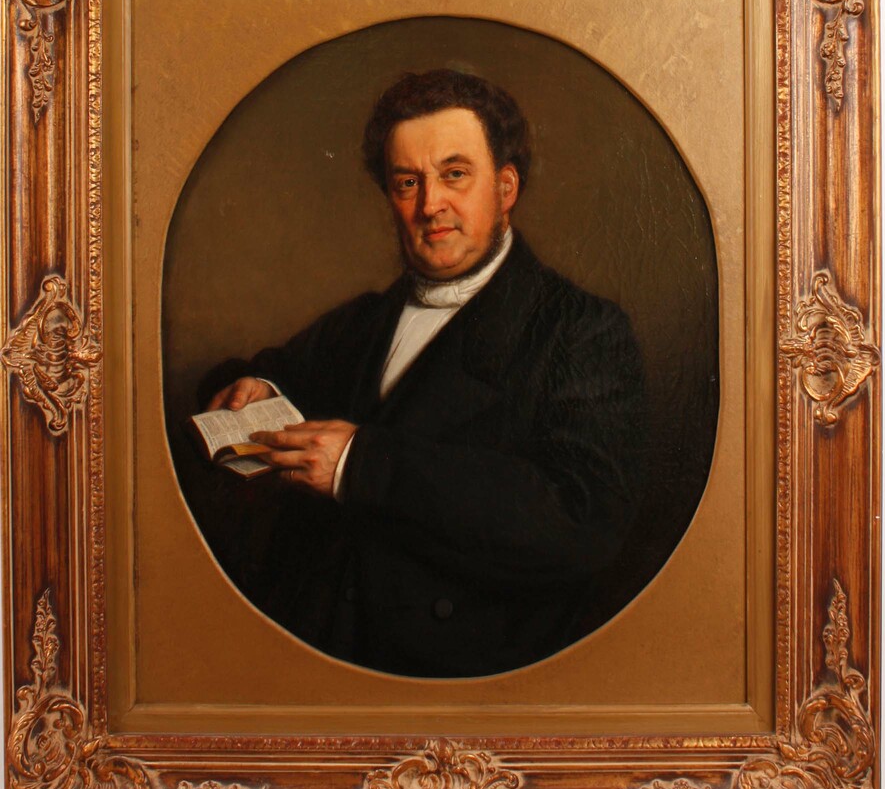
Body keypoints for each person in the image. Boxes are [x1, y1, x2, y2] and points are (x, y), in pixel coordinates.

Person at [200, 69, 646, 678]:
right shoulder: (363, 321)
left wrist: (362, 464)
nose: (429, 204)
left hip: (461, 675)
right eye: (407, 182)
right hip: (314, 659)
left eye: (454, 174)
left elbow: (582, 521)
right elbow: (267, 372)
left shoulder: (580, 330)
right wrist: (257, 389)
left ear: (506, 187)